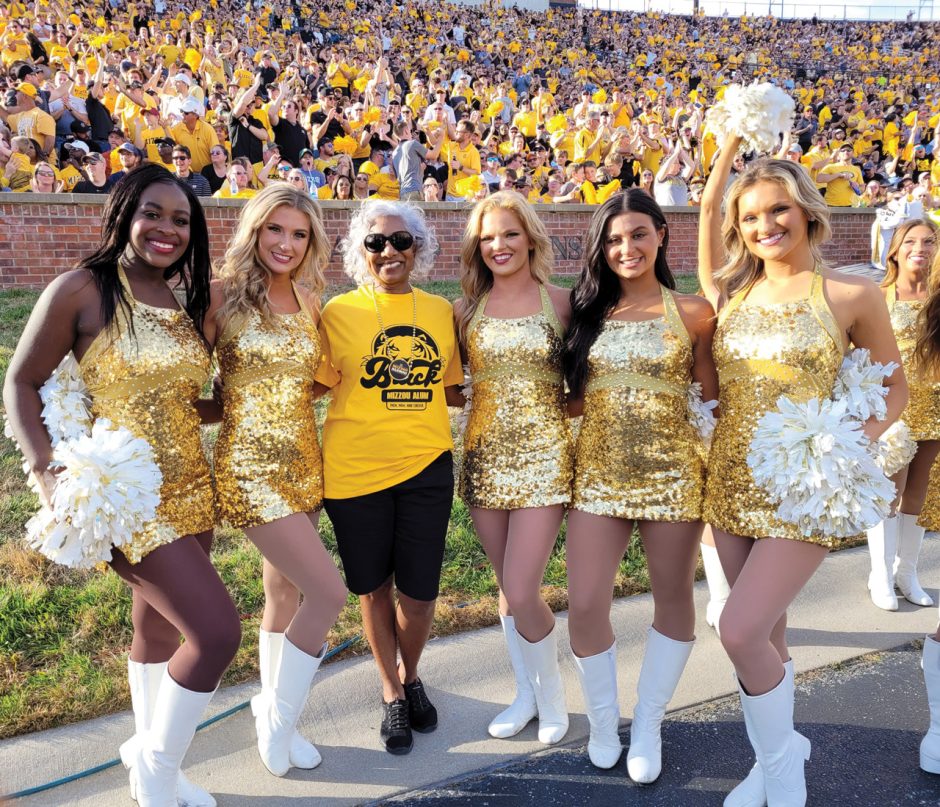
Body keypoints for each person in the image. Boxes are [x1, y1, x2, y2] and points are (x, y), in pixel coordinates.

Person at [3, 165, 241, 807]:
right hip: (124, 494)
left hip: (193, 484)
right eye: (153, 214)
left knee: (159, 632)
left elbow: (183, 402)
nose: (167, 229)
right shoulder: (82, 288)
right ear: (123, 215)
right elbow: (20, 382)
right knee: (217, 634)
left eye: (181, 220)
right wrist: (47, 467)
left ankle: (145, 747)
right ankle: (159, 774)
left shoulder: (189, 300)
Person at [698, 137, 907, 807]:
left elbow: (894, 387)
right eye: (751, 217)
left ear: (808, 212)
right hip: (729, 482)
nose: (765, 227)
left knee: (737, 629)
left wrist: (845, 443)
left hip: (805, 489)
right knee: (769, 634)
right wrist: (727, 147)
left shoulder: (850, 291)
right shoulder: (732, 291)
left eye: (778, 210)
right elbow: (707, 222)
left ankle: (785, 770)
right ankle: (772, 756)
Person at [563, 190, 716, 779]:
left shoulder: (694, 312)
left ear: (660, 236)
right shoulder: (585, 313)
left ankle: (649, 722)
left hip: (674, 475)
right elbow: (572, 400)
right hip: (598, 476)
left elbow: (710, 398)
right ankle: (604, 722)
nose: (625, 248)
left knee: (673, 597)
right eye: (612, 239)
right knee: (585, 603)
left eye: (636, 235)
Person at [206, 184, 347, 777]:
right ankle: (280, 722)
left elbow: (316, 379)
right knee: (329, 593)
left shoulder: (312, 302)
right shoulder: (219, 298)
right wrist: (235, 405)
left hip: (302, 463)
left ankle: (276, 710)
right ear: (254, 232)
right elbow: (188, 380)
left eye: (299, 233)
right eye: (275, 230)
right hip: (250, 467)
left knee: (284, 595)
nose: (286, 243)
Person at [315, 201, 464, 755]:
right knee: (373, 586)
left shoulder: (441, 312)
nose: (389, 252)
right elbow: (316, 383)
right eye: (375, 242)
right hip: (353, 471)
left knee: (420, 593)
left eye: (401, 241)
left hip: (427, 465)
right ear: (360, 251)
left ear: (418, 248)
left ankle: (412, 671)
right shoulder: (338, 313)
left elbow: (451, 388)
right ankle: (392, 690)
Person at [455, 192, 573, 746]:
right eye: (487, 239)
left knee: (524, 588)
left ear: (530, 237)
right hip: (483, 459)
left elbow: (584, 387)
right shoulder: (465, 311)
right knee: (507, 586)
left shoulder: (563, 303)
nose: (498, 246)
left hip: (545, 458)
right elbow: (452, 388)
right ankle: (524, 694)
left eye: (508, 234)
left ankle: (553, 699)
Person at [865, 219, 940, 611]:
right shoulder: (879, 296)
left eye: (929, 241)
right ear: (893, 250)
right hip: (895, 405)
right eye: (910, 241)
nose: (920, 247)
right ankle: (879, 575)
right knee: (889, 489)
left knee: (921, 492)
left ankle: (906, 572)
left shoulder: (939, 296)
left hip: (936, 402)